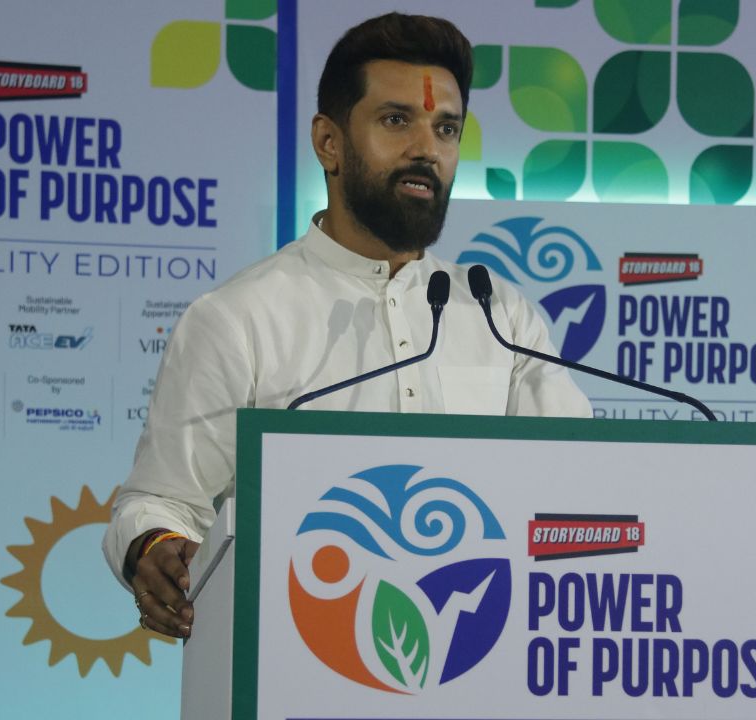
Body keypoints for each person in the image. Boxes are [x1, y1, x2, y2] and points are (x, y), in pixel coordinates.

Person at [103, 13, 591, 639]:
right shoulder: (240, 318)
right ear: (328, 142)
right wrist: (157, 548)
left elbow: (580, 485)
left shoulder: (501, 316)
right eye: (396, 120)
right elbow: (161, 500)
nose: (427, 149)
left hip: (483, 653)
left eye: (446, 129)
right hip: (296, 656)